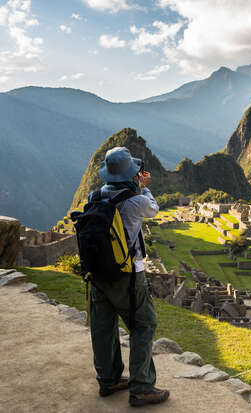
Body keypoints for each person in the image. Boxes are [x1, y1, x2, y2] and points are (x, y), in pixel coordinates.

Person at [88, 146, 170, 407]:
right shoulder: (138, 201)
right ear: (132, 173)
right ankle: (142, 386)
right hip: (127, 275)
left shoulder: (95, 196)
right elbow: (154, 208)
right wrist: (144, 186)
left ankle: (108, 378)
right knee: (144, 324)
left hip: (97, 273)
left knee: (103, 326)